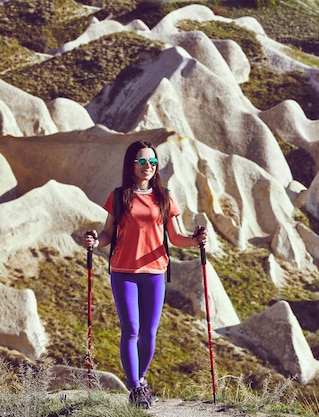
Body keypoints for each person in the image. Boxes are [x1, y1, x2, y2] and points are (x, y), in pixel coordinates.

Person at [83, 140, 207, 409]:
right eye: (142, 161)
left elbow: (175, 237)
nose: (148, 166)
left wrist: (196, 240)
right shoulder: (118, 196)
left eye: (152, 162)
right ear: (131, 164)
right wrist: (95, 241)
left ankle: (140, 378)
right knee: (131, 330)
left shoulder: (164, 196)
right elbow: (107, 235)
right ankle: (136, 388)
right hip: (123, 271)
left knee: (149, 333)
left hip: (155, 271)